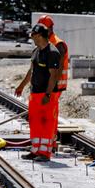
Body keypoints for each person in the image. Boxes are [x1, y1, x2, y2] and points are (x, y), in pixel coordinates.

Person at [15, 24, 61, 162]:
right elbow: (32, 71)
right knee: (35, 122)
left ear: (39, 35)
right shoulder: (36, 51)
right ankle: (35, 150)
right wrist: (21, 86)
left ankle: (45, 152)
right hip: (35, 93)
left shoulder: (52, 52)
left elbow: (54, 76)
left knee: (46, 122)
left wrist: (47, 94)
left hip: (47, 95)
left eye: (33, 35)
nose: (31, 37)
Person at [38, 14, 68, 151]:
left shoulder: (58, 44)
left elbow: (58, 69)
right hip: (47, 85)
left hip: (54, 86)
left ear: (50, 28)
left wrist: (50, 89)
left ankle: (51, 143)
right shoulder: (44, 43)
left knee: (50, 114)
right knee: (46, 113)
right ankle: (48, 142)